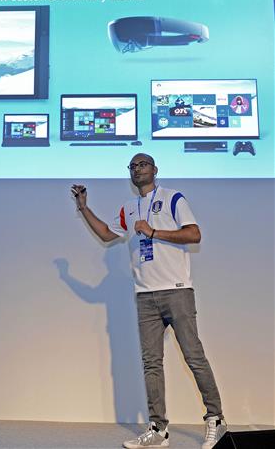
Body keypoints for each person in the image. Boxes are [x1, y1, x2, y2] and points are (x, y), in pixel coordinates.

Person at [71, 153, 226, 449]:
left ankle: (216, 420)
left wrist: (153, 232)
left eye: (142, 164)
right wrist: (84, 208)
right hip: (145, 295)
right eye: (132, 166)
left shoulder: (173, 198)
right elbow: (106, 234)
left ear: (155, 169)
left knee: (194, 357)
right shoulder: (128, 208)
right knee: (151, 364)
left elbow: (194, 234)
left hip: (177, 290)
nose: (137, 169)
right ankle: (158, 429)